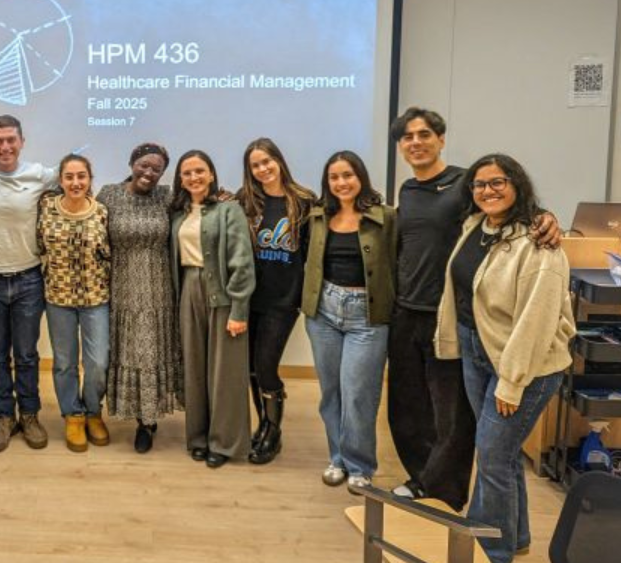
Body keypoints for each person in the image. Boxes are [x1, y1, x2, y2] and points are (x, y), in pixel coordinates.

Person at [387, 107, 559, 510]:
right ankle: (421, 478)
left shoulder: (466, 184)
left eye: (424, 134)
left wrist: (545, 216)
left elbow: (510, 209)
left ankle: (445, 490)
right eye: (407, 137)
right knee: (407, 408)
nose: (416, 142)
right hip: (406, 311)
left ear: (441, 138)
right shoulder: (408, 191)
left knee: (450, 413)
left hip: (449, 315)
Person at [435, 154, 573, 563]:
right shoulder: (475, 226)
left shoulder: (539, 244)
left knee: (492, 456)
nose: (487, 191)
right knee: (503, 453)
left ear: (516, 185)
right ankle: (516, 539)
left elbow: (536, 323)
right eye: (479, 184)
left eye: (497, 182)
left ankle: (489, 551)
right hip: (478, 351)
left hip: (525, 365)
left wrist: (512, 381)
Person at [302, 150, 395, 490]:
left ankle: (360, 466)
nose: (341, 183)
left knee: (358, 393)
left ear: (361, 178)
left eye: (348, 175)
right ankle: (337, 459)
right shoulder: (316, 217)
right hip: (323, 313)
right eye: (334, 177)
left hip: (367, 317)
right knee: (331, 392)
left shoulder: (385, 217)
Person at [0, 114, 57, 452]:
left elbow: (79, 179)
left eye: (10, 140)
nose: (4, 147)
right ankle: (4, 416)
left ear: (21, 141)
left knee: (28, 354)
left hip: (29, 279)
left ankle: (29, 415)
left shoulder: (40, 175)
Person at [169, 150, 256, 468]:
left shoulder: (229, 209)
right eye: (187, 172)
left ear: (211, 174)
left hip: (221, 292)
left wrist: (239, 309)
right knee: (195, 368)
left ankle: (224, 442)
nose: (193, 177)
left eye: (199, 171)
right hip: (188, 291)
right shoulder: (177, 214)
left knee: (225, 372)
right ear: (180, 178)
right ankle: (198, 438)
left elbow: (242, 262)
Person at [235, 138, 316, 465]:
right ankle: (264, 426)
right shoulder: (245, 201)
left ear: (279, 161)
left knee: (267, 366)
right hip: (249, 299)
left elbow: (313, 252)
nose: (263, 169)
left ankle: (274, 431)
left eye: (267, 161)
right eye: (255, 165)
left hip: (283, 301)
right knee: (251, 368)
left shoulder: (304, 201)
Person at [99, 143, 183, 453]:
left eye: (156, 169)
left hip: (159, 288)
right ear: (132, 162)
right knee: (127, 351)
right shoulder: (109, 194)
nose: (149, 173)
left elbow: (201, 202)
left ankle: (147, 421)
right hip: (120, 286)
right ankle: (133, 409)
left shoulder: (167, 196)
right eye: (144, 165)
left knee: (151, 353)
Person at [37, 153, 111, 452]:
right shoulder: (46, 209)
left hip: (96, 298)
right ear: (61, 180)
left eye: (81, 176)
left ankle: (93, 411)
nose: (75, 182)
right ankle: (73, 414)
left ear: (90, 179)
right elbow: (39, 245)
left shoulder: (103, 212)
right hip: (59, 298)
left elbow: (110, 254)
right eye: (69, 177)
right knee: (65, 363)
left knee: (97, 362)